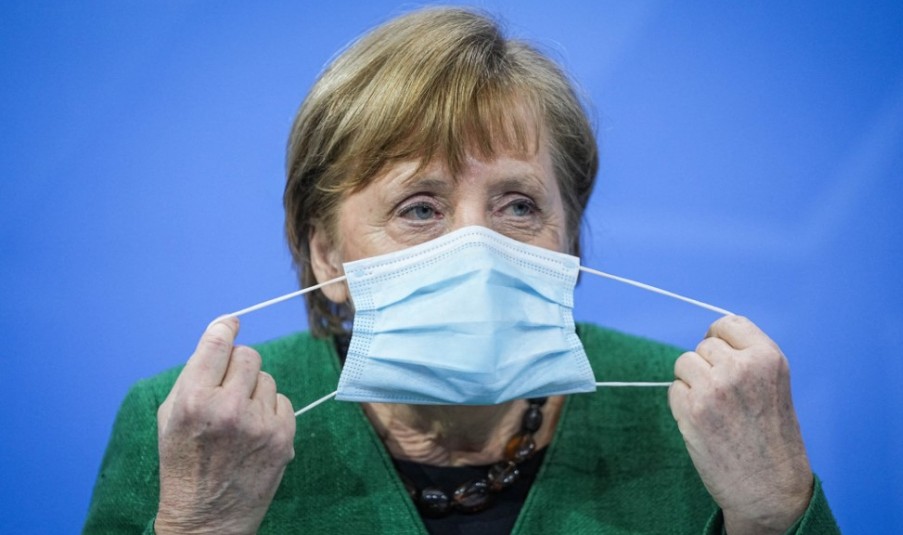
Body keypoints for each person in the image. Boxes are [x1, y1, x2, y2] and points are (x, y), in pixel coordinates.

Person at [84, 7, 839, 534]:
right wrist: (204, 524)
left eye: (518, 205)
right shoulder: (192, 428)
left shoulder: (697, 418)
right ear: (327, 256)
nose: (477, 247)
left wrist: (772, 514)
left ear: (570, 239)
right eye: (420, 208)